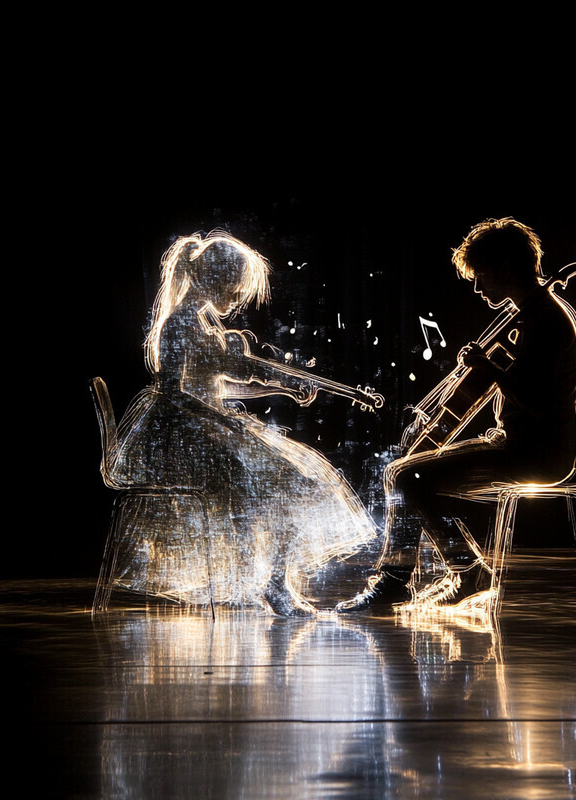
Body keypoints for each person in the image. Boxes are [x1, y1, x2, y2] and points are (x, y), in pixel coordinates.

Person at [110, 229, 377, 616]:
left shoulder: (202, 323)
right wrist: (221, 418)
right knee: (279, 485)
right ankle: (271, 583)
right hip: (185, 436)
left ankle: (273, 581)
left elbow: (219, 387)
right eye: (233, 288)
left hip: (208, 426)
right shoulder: (179, 324)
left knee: (294, 482)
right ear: (213, 279)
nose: (236, 299)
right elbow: (170, 393)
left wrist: (281, 389)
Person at [336, 217, 576, 613]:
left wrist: (491, 369)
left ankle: (430, 576)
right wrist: (492, 369)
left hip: (539, 454)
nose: (476, 286)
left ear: (505, 269)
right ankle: (440, 575)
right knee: (405, 473)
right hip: (517, 443)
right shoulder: (530, 317)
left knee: (406, 476)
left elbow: (539, 404)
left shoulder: (545, 322)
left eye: (480, 275)